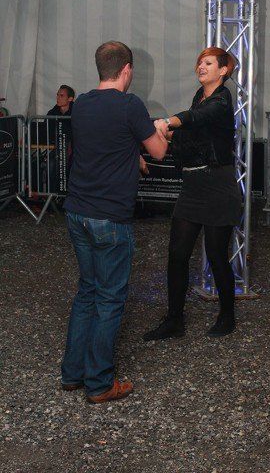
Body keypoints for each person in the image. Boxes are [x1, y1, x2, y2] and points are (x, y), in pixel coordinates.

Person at [61, 41, 168, 404]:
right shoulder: (129, 105)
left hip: (77, 211)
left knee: (87, 292)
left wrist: (131, 154)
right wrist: (160, 128)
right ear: (126, 70)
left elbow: (102, 145)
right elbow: (159, 151)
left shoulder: (82, 104)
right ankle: (99, 383)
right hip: (109, 217)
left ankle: (72, 374)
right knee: (109, 299)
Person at [143, 47, 241, 342]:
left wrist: (169, 122)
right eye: (199, 62)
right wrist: (171, 136)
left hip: (217, 186)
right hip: (192, 186)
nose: (201, 66)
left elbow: (197, 118)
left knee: (217, 255)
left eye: (208, 62)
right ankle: (174, 320)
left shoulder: (221, 100)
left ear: (223, 70)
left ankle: (227, 315)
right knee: (177, 254)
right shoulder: (199, 98)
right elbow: (192, 135)